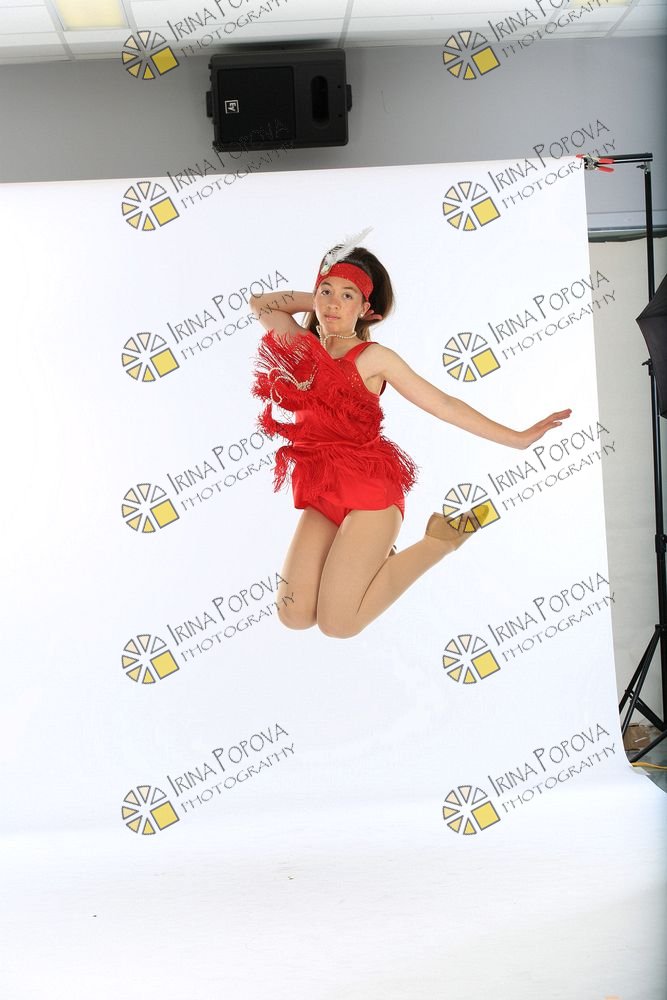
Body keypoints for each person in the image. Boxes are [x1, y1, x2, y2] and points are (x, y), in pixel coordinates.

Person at [249, 238, 571, 640]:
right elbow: (261, 304)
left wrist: (518, 438)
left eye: (348, 295)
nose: (333, 304)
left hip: (370, 495)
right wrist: (316, 296)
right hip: (323, 490)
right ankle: (373, 554)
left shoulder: (373, 357)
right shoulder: (301, 348)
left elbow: (444, 405)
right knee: (294, 615)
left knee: (338, 624)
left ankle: (440, 540)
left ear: (366, 308)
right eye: (326, 292)